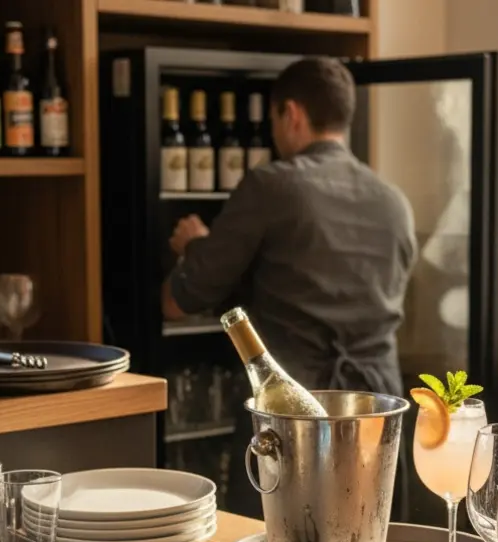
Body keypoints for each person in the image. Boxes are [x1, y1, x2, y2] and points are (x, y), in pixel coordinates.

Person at [162, 57, 417, 517]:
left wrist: (195, 247)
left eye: (275, 120)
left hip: (296, 413)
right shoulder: (394, 202)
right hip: (377, 412)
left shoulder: (272, 185)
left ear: (292, 114)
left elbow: (184, 297)